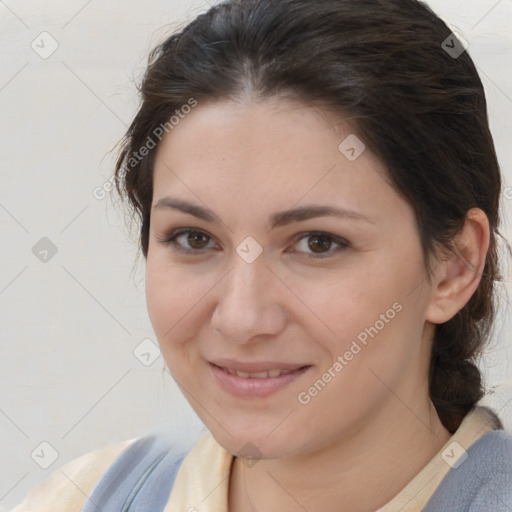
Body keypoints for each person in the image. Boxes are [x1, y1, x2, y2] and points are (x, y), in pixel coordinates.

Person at [11, 0, 512, 510]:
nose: (241, 319)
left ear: (454, 266)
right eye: (194, 238)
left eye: (318, 243)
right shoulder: (77, 499)